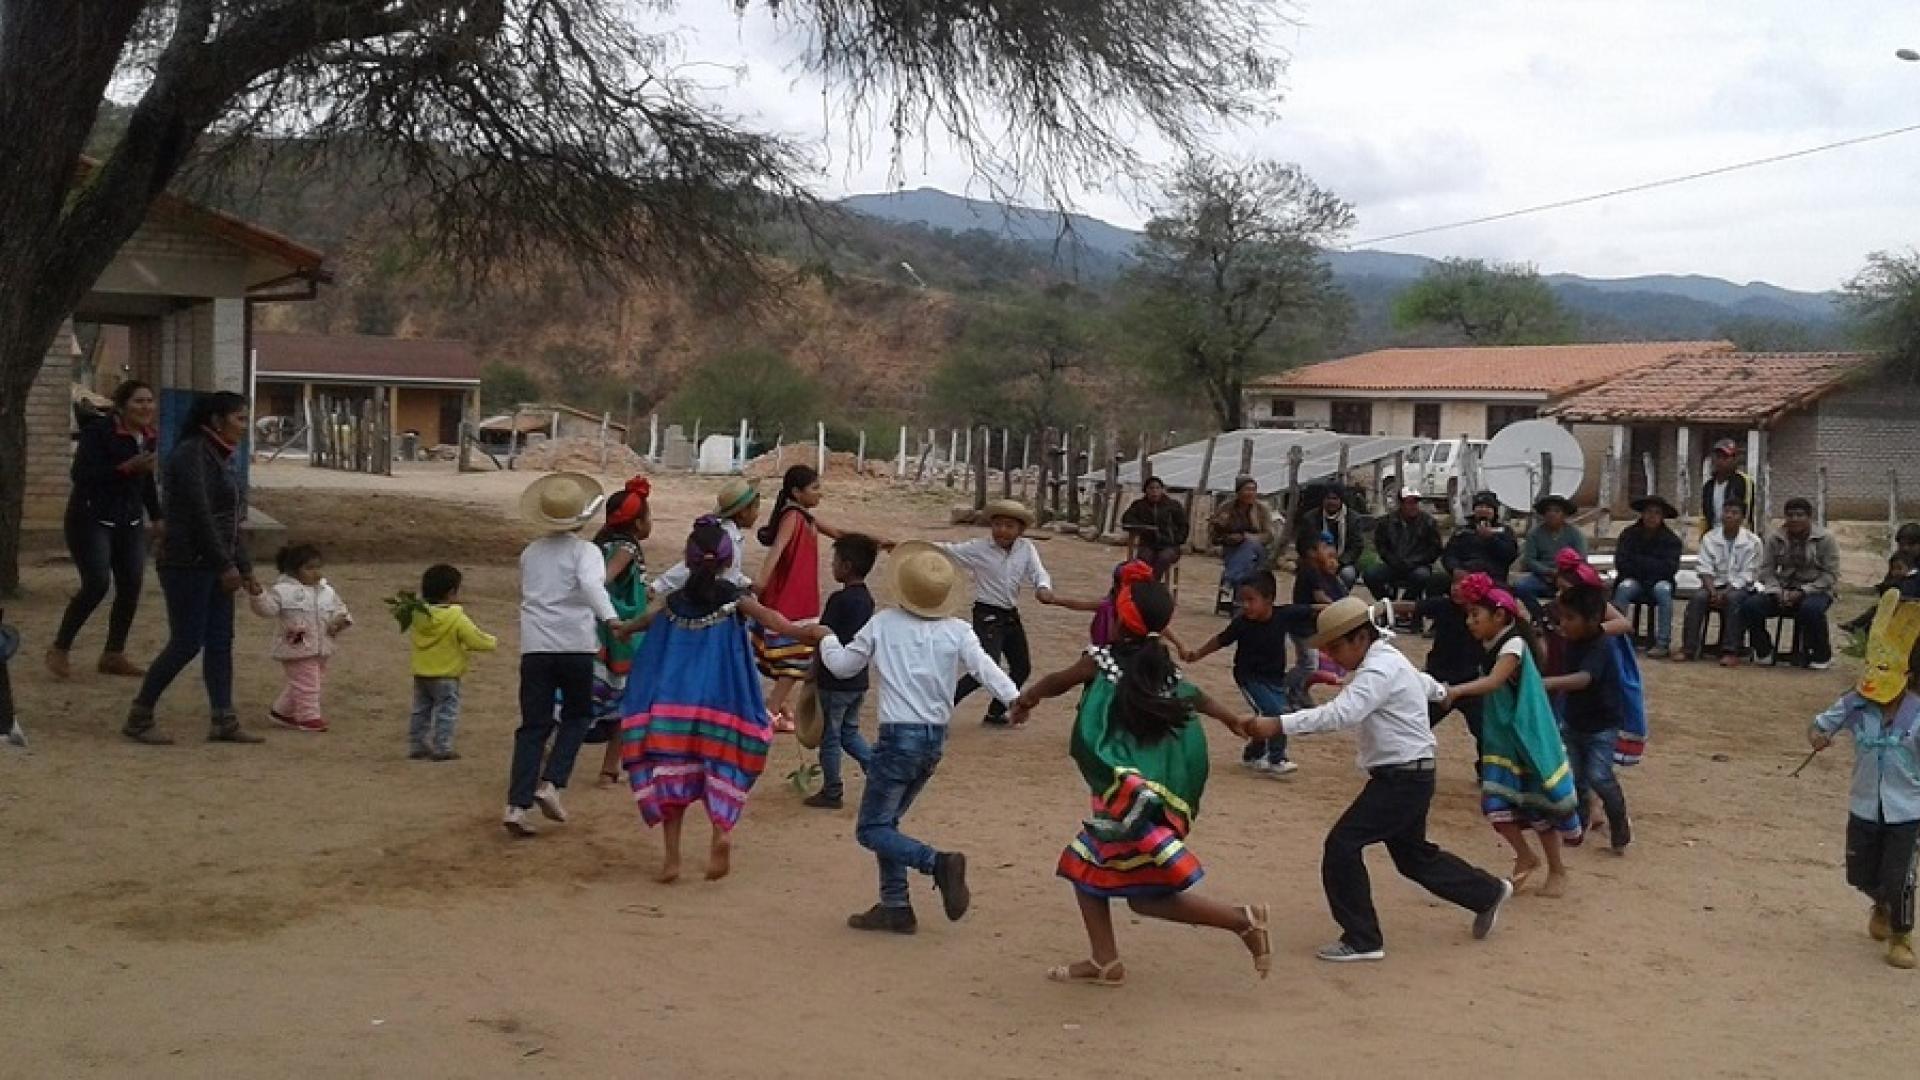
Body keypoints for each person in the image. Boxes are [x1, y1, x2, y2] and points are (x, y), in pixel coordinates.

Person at [1007, 580, 1272, 986]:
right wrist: (1232, 719)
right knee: (1140, 895)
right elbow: (1196, 696)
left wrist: (1026, 700)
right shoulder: (1160, 667)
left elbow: (1058, 680)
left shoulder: (1101, 660)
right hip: (1142, 791)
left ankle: (1237, 921)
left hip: (1127, 795)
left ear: (1118, 621)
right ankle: (1115, 958)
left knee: (1086, 866)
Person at [1243, 597, 1513, 963]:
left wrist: (1278, 723)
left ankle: (1362, 937)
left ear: (1360, 638)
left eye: (1336, 646)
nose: (1333, 655)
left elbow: (1341, 714)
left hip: (1401, 779)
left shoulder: (1377, 671)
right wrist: (1442, 693)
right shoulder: (1388, 660)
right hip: (1410, 774)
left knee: (1342, 845)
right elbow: (1426, 682)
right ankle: (1485, 892)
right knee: (1413, 857)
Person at [817, 541, 1019, 934]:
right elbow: (986, 670)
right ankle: (895, 905)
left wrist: (824, 636)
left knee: (872, 829)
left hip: (897, 738)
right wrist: (1016, 698)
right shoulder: (958, 630)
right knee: (886, 823)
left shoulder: (883, 623)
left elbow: (842, 668)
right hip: (933, 740)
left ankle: (936, 862)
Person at [620, 519, 820, 881]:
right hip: (722, 703)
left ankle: (672, 859)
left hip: (673, 704)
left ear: (688, 559)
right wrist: (803, 631)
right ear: (727, 561)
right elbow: (772, 619)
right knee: (721, 767)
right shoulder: (734, 598)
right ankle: (721, 833)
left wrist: (624, 628)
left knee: (672, 774)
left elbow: (646, 621)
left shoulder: (675, 603)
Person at [123, 391, 263, 746]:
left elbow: (228, 519)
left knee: (220, 642)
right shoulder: (191, 455)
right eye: (239, 419)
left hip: (213, 563)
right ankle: (139, 716)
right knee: (186, 642)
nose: (244, 427)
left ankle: (223, 719)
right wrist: (225, 564)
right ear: (216, 421)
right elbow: (201, 517)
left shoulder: (217, 456)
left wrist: (243, 566)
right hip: (187, 563)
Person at [503, 472, 625, 838]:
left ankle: (516, 803)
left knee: (533, 725)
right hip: (574, 645)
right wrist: (612, 619)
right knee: (578, 715)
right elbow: (591, 585)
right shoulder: (585, 552)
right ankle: (552, 782)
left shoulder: (530, 553)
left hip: (535, 646)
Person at [1444, 574, 1582, 897]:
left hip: (1528, 742)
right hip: (1506, 742)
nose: (1469, 622)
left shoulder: (1513, 645)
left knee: (1539, 810)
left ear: (1500, 616)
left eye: (1475, 615)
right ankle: (1525, 855)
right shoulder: (1491, 644)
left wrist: (1455, 691)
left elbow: (1494, 682)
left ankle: (1557, 869)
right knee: (1496, 806)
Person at [1805, 590, 1920, 970]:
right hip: (1865, 803)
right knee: (1860, 873)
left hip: (1907, 810)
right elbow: (1822, 724)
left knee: (1900, 874)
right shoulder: (1856, 703)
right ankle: (1881, 903)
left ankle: (1902, 935)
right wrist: (1819, 737)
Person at [48, 379, 161, 680]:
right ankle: (60, 647)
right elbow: (82, 475)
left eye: (149, 401)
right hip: (91, 518)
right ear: (122, 406)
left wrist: (157, 516)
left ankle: (113, 654)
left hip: (129, 520)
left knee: (131, 584)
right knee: (97, 583)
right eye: (138, 401)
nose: (146, 407)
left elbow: (146, 479)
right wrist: (126, 468)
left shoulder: (149, 436)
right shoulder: (98, 433)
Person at [756, 465, 866, 732]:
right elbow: (777, 551)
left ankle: (777, 708)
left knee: (791, 657)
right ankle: (769, 712)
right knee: (797, 660)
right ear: (796, 492)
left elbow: (841, 535)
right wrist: (759, 586)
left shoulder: (805, 517)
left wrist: (879, 542)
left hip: (800, 598)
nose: (820, 494)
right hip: (790, 599)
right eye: (815, 488)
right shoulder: (793, 517)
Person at [1183, 570, 1316, 778]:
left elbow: (1310, 610)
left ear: (1269, 599)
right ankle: (1277, 758)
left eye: (1250, 600)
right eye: (1241, 600)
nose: (1245, 606)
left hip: (1274, 679)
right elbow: (1221, 640)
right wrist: (1197, 654)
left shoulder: (1283, 615)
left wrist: (1340, 610)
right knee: (1276, 712)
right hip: (1249, 678)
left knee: (1270, 714)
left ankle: (1253, 753)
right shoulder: (1242, 624)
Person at [941, 499, 1054, 727]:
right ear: (991, 525)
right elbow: (946, 551)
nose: (1002, 530)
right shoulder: (978, 548)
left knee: (1022, 667)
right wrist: (905, 546)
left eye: (1009, 526)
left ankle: (995, 713)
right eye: (998, 524)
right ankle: (939, 709)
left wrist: (1043, 587)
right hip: (987, 615)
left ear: (1020, 530)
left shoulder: (1026, 548)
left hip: (1010, 614)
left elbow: (1038, 572)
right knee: (984, 667)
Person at [1541, 583, 1634, 854]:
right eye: (1563, 617)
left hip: (1602, 726)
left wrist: (1545, 683)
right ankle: (1577, 827)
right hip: (1574, 721)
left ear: (1593, 620)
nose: (1564, 624)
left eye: (1571, 618)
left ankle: (1619, 825)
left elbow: (1584, 679)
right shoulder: (1572, 642)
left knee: (1599, 777)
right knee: (1576, 779)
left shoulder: (1601, 646)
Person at [806, 533, 880, 810]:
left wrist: (813, 669)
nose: (832, 566)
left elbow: (822, 636)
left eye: (835, 561)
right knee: (849, 731)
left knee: (830, 736)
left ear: (847, 566)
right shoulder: (867, 600)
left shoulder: (838, 600)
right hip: (858, 679)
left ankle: (832, 789)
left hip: (833, 679)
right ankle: (877, 769)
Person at [587, 477, 652, 785]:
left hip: (599, 628)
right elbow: (604, 579)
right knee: (625, 697)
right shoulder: (626, 547)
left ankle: (610, 767)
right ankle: (608, 767)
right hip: (621, 633)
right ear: (638, 523)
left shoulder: (598, 544)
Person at [247, 543, 352, 734]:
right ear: (294, 571)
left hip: (321, 647)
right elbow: (268, 609)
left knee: (306, 682)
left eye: (318, 567)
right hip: (296, 648)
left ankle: (281, 711)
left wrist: (341, 620)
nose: (316, 573)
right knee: (309, 684)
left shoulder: (326, 590)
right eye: (309, 568)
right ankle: (308, 716)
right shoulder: (283, 591)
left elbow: (340, 608)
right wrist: (258, 595)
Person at [405, 563, 496, 761]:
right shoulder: (455, 616)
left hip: (422, 672)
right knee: (446, 711)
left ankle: (417, 744)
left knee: (421, 709)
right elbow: (475, 639)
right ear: (451, 592)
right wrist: (492, 642)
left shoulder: (417, 614)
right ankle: (442, 747)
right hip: (446, 675)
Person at [1740, 497, 1840, 669]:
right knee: (1750, 605)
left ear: (1809, 517)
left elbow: (1830, 575)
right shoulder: (1775, 538)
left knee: (1811, 609)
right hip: (1782, 589)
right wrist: (1776, 590)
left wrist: (1803, 591)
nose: (1794, 519)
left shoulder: (1825, 539)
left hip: (1816, 589)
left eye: (1800, 515)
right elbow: (1766, 570)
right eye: (1790, 515)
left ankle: (1821, 655)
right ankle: (1764, 650)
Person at [1680, 501, 1762, 664]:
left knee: (1733, 600)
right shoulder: (1710, 537)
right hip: (1713, 585)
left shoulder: (1753, 542)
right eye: (1726, 512)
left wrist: (1727, 591)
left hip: (1740, 587)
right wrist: (1713, 591)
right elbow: (1704, 568)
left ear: (1743, 518)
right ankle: (1688, 648)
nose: (1729, 516)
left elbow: (1748, 573)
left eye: (1735, 512)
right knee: (1698, 599)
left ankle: (1731, 650)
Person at [653, 478, 758, 593]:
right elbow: (690, 567)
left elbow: (730, 573)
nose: (757, 513)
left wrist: (747, 583)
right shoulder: (724, 540)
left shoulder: (733, 536)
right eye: (755, 508)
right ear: (743, 512)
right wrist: (659, 585)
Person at [1612, 495, 1683, 658]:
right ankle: (1616, 640)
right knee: (1624, 588)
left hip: (1659, 581)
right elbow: (1621, 563)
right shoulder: (1628, 534)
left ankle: (1663, 643)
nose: (1652, 516)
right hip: (1633, 579)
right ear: (1642, 514)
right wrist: (1650, 566)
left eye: (1657, 513)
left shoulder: (1672, 540)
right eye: (1649, 512)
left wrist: (1640, 563)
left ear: (1662, 516)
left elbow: (1670, 568)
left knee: (1664, 591)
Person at [1365, 488, 1443, 629]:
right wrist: (1392, 560)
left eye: (1415, 502)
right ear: (1401, 504)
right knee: (1371, 574)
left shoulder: (1429, 522)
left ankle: (1404, 606)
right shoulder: (1386, 522)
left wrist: (1416, 561)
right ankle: (1388, 604)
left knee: (1421, 576)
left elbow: (1435, 549)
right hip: (1393, 564)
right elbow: (1381, 546)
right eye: (1409, 502)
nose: (1413, 506)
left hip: (1418, 564)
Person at [1515, 494, 1586, 620]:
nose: (1552, 514)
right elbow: (1530, 559)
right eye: (1548, 511)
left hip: (1569, 577)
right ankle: (1541, 618)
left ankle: (1570, 619)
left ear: (1564, 514)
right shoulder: (1534, 534)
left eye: (1557, 511)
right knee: (1522, 587)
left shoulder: (1575, 534)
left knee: (1579, 592)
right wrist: (1547, 571)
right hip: (1542, 577)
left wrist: (1563, 575)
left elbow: (1581, 558)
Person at [1209, 476, 1274, 594]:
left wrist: (1250, 537)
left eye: (1253, 490)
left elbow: (1269, 535)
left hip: (1259, 550)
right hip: (1233, 549)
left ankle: (1228, 580)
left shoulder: (1261, 509)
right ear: (1238, 492)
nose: (1251, 493)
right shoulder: (1226, 508)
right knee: (1247, 565)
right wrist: (1224, 530)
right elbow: (1214, 537)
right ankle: (1239, 603)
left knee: (1249, 544)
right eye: (1247, 489)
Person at [1441, 491, 1519, 586]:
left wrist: (1491, 538)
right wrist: (1455, 568)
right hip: (1465, 574)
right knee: (1438, 580)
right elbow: (1449, 555)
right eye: (1480, 506)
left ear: (1494, 511)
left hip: (1493, 577)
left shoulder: (1504, 531)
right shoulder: (1463, 531)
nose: (1484, 510)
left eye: (1488, 507)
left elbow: (1510, 555)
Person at [1120, 477, 1189, 582]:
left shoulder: (1173, 506)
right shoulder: (1139, 505)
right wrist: (1144, 528)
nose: (1154, 491)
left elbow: (1183, 525)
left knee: (1163, 558)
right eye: (1151, 488)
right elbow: (1127, 520)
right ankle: (1143, 585)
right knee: (1144, 559)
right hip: (1148, 544)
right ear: (1146, 490)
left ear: (1162, 490)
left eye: (1157, 488)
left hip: (1169, 546)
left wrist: (1176, 539)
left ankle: (1152, 584)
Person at [1296, 486, 1363, 590]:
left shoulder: (1353, 519)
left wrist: (1338, 562)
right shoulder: (1310, 518)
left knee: (1348, 574)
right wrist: (1320, 559)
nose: (1331, 502)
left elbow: (1356, 547)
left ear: (1341, 500)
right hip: (1316, 560)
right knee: (1307, 570)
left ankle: (1339, 599)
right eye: (1328, 498)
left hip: (1344, 562)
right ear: (1323, 500)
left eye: (1335, 498)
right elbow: (1303, 544)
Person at [1699, 438, 1755, 535]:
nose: (1720, 461)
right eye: (1718, 457)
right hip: (1713, 536)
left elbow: (1747, 512)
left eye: (1725, 457)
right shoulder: (1708, 485)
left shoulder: (1743, 481)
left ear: (1734, 459)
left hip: (1737, 535)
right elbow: (1704, 515)